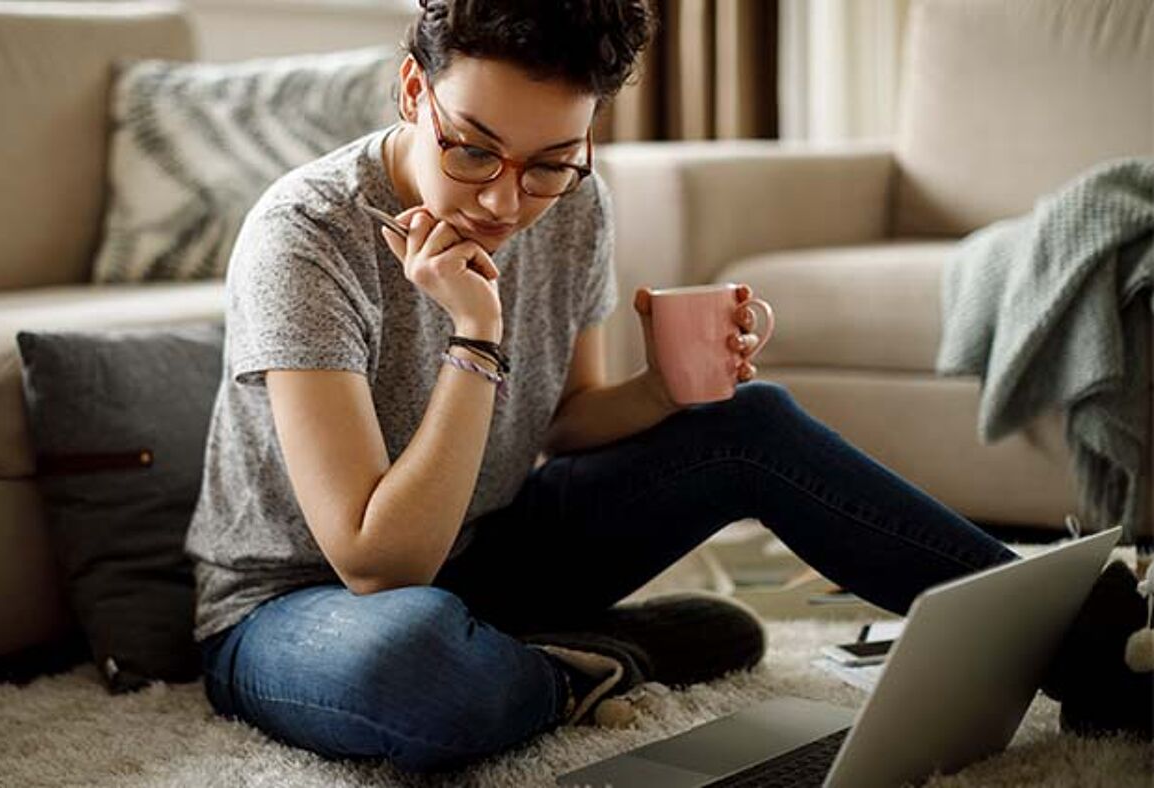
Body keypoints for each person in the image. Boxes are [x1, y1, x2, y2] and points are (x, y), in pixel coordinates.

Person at [184, 0, 1151, 774]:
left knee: (750, 420)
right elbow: (375, 562)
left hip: (489, 546)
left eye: (551, 163)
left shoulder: (575, 206)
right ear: (412, 89)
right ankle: (598, 660)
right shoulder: (307, 236)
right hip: (297, 606)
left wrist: (675, 388)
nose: (501, 200)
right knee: (419, 669)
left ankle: (1080, 644)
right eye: (471, 148)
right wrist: (476, 337)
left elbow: (566, 425)